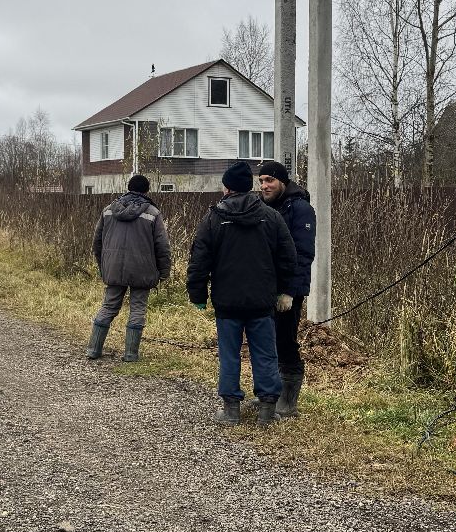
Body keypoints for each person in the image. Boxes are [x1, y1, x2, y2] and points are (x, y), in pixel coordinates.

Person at [186, 160, 298, 427]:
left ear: (227, 188)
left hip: (227, 302)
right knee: (265, 354)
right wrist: (284, 290)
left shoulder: (213, 218)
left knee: (229, 354)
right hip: (262, 302)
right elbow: (288, 257)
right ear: (249, 187)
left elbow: (199, 261)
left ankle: (231, 410)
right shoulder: (271, 217)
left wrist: (198, 294)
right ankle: (267, 411)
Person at [88, 173, 171, 362]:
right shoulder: (152, 213)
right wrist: (164, 272)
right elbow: (163, 246)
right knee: (138, 308)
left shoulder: (108, 210)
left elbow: (97, 242)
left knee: (109, 306)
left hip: (113, 267)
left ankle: (93, 349)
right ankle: (131, 354)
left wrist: (103, 266)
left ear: (128, 188)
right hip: (142, 269)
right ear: (147, 190)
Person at [256, 159, 316, 419]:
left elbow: (303, 253)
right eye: (261, 181)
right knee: (266, 341)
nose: (264, 186)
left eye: (269, 180)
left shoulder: (300, 208)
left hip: (288, 290)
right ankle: (270, 394)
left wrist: (290, 291)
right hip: (265, 285)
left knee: (285, 340)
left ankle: (288, 401)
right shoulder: (263, 206)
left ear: (282, 181)